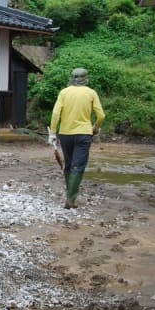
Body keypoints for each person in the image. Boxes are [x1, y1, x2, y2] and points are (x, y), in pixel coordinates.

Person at [49, 67, 105, 209]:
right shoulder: (91, 93)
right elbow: (101, 116)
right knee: (78, 166)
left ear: (71, 78)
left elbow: (56, 114)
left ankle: (70, 195)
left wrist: (53, 133)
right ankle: (71, 199)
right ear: (86, 79)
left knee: (68, 165)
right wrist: (96, 128)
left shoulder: (64, 92)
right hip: (84, 134)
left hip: (65, 134)